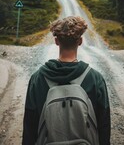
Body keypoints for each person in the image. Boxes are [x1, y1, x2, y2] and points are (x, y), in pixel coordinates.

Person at [22, 16, 111, 145]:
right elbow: (104, 126)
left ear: (56, 41)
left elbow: (29, 127)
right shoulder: (95, 78)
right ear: (80, 41)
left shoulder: (37, 78)